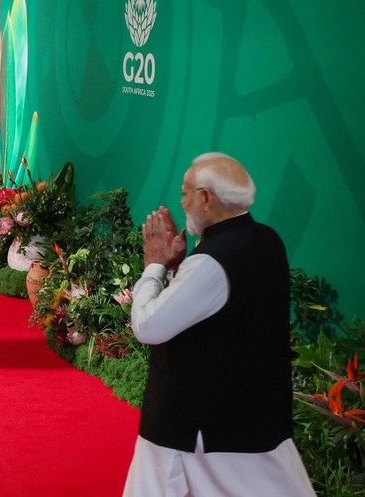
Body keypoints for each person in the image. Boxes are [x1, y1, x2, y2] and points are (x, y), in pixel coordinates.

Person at [123, 153, 315, 496]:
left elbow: (148, 327)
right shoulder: (267, 239)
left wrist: (154, 266)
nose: (182, 202)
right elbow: (221, 313)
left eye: (186, 194)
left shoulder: (212, 261)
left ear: (207, 198)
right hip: (253, 415)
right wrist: (180, 268)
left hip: (194, 423)